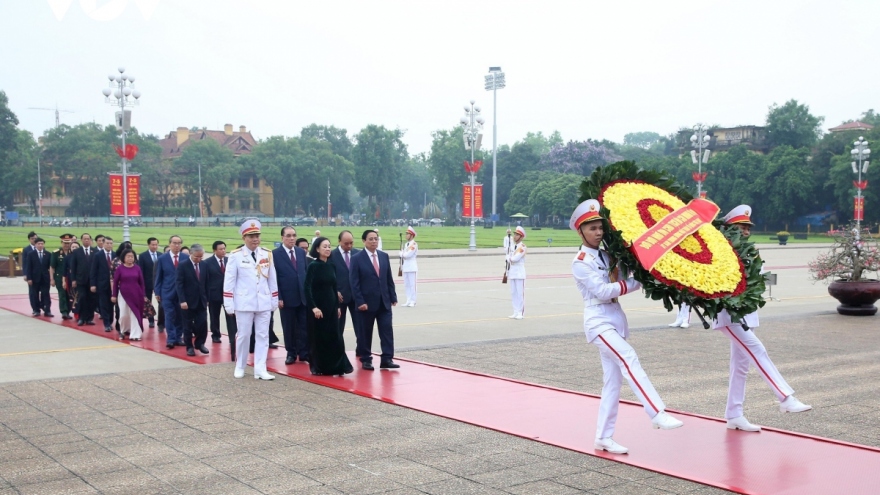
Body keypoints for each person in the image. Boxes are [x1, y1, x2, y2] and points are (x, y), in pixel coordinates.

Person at [569, 199, 683, 455]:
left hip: (615, 318)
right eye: (592, 229)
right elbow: (602, 290)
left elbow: (626, 272)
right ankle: (657, 412)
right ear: (581, 232)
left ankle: (603, 438)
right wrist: (638, 282)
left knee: (612, 383)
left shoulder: (609, 253)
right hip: (598, 321)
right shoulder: (580, 261)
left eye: (600, 227)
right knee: (629, 357)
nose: (598, 232)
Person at [713, 205, 811, 432]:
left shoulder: (749, 250)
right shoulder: (721, 251)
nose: (746, 231)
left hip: (746, 313)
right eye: (741, 227)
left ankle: (734, 414)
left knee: (741, 365)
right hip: (728, 314)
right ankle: (785, 398)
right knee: (757, 350)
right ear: (729, 228)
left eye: (747, 227)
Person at [224, 218, 278, 380]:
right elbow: (229, 281)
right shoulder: (235, 256)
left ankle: (260, 368)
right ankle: (240, 365)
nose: (255, 239)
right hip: (244, 302)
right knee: (244, 335)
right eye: (251, 236)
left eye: (257, 235)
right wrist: (229, 303)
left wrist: (274, 298)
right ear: (244, 238)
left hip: (263, 301)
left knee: (263, 336)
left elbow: (272, 279)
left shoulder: (266, 254)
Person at [350, 229, 398, 370]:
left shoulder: (384, 256)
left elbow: (388, 278)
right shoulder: (357, 258)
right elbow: (354, 282)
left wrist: (392, 296)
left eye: (375, 239)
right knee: (365, 332)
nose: (373, 241)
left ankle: (387, 358)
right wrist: (360, 301)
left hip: (384, 302)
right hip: (366, 303)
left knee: (386, 331)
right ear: (364, 241)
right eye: (370, 239)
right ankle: (366, 359)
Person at [305, 237, 354, 376]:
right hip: (318, 308)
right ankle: (318, 367)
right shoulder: (313, 266)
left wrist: (338, 306)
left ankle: (339, 366)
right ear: (317, 249)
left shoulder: (331, 265)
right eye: (324, 246)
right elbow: (307, 288)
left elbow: (334, 287)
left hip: (332, 307)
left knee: (335, 337)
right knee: (319, 338)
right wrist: (313, 307)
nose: (327, 249)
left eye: (329, 246)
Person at [274, 226, 309, 365]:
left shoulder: (300, 252)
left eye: (294, 235)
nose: (292, 238)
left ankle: (304, 353)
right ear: (282, 237)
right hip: (286, 298)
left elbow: (304, 273)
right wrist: (279, 297)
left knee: (303, 327)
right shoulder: (275, 254)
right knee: (289, 327)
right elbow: (274, 278)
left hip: (302, 297)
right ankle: (291, 353)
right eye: (288, 236)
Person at [155, 235, 189, 349]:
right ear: (170, 244)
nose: (177, 245)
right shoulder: (162, 258)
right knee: (169, 316)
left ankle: (178, 338)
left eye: (179, 243)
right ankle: (171, 339)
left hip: (181, 293)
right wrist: (157, 292)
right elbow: (158, 276)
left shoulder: (185, 257)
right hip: (167, 292)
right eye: (174, 243)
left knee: (180, 316)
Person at [176, 244, 210, 357]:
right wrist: (182, 300)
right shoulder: (183, 265)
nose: (199, 259)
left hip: (201, 301)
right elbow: (179, 284)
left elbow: (206, 283)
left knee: (203, 324)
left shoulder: (204, 265)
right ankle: (189, 347)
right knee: (188, 326)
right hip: (188, 302)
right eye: (197, 257)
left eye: (201, 256)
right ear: (191, 253)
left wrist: (207, 298)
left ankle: (200, 343)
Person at [329, 230, 361, 343]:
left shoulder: (358, 254)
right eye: (346, 243)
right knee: (338, 328)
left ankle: (362, 351)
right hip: (339, 298)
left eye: (351, 243)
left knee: (360, 327)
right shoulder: (331, 256)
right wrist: (334, 291)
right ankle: (337, 353)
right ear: (339, 241)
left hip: (356, 298)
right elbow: (328, 278)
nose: (349, 246)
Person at [111, 248, 146, 341]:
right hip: (123, 295)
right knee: (123, 315)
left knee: (135, 315)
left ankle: (135, 334)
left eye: (132, 256)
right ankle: (123, 331)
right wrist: (113, 295)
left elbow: (141, 283)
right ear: (123, 258)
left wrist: (144, 295)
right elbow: (115, 283)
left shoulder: (137, 268)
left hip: (136, 294)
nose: (130, 258)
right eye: (128, 256)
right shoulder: (120, 269)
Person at [204, 241, 230, 344]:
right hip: (213, 294)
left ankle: (232, 335)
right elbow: (205, 280)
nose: (223, 251)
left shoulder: (230, 261)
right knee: (214, 316)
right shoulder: (207, 263)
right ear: (214, 250)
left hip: (228, 294)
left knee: (230, 316)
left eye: (224, 248)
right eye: (221, 249)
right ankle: (215, 335)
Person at [69, 233, 96, 326]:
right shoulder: (77, 252)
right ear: (81, 240)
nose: (86, 240)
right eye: (84, 239)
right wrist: (73, 280)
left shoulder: (95, 251)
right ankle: (81, 318)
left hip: (92, 281)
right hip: (81, 280)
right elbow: (73, 267)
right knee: (82, 298)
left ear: (90, 240)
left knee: (91, 299)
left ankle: (89, 318)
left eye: (88, 239)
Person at [90, 236, 116, 332]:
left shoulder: (115, 255)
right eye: (107, 243)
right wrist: (93, 284)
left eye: (110, 243)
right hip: (102, 284)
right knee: (104, 304)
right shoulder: (98, 255)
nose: (109, 245)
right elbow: (93, 271)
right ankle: (107, 324)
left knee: (111, 305)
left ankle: (110, 320)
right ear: (103, 244)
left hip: (113, 285)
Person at [25, 237, 53, 317]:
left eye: (42, 244)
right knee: (34, 294)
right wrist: (29, 278)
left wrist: (51, 278)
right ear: (35, 244)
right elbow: (28, 267)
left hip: (45, 278)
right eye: (38, 244)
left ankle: (47, 310)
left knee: (46, 294)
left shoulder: (48, 254)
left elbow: (50, 267)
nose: (40, 245)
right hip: (34, 278)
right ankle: (36, 309)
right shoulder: (31, 254)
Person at [49, 234, 74, 319]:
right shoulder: (56, 253)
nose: (66, 245)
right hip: (59, 278)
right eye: (65, 243)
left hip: (70, 278)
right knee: (62, 294)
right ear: (61, 243)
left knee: (70, 295)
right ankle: (64, 311)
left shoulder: (73, 252)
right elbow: (52, 267)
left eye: (68, 243)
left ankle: (68, 311)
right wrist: (52, 279)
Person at [137, 237, 160, 329]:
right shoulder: (143, 256)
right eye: (153, 245)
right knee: (148, 302)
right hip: (147, 283)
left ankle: (162, 321)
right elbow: (141, 271)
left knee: (161, 303)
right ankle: (151, 320)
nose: (155, 246)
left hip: (158, 283)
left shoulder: (161, 255)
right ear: (148, 245)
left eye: (156, 245)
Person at [506, 226, 527, 319]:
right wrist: (508, 235)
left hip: (519, 272)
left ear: (521, 237)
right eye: (514, 234)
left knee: (520, 294)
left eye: (517, 235)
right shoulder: (513, 246)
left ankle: (520, 313)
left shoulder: (522, 247)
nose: (515, 236)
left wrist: (509, 258)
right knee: (513, 293)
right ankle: (515, 311)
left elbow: (516, 258)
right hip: (512, 272)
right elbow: (506, 248)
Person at [399, 226, 418, 307]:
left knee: (412, 285)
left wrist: (401, 254)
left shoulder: (414, 244)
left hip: (411, 266)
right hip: (406, 266)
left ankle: (413, 301)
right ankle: (408, 300)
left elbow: (408, 255)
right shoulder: (406, 244)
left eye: (407, 234)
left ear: (412, 235)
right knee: (406, 284)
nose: (406, 235)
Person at [65, 241, 80, 319]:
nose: (74, 248)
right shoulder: (67, 257)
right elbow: (65, 270)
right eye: (73, 247)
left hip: (81, 279)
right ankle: (75, 313)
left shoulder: (82, 256)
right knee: (73, 296)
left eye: (76, 247)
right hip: (71, 279)